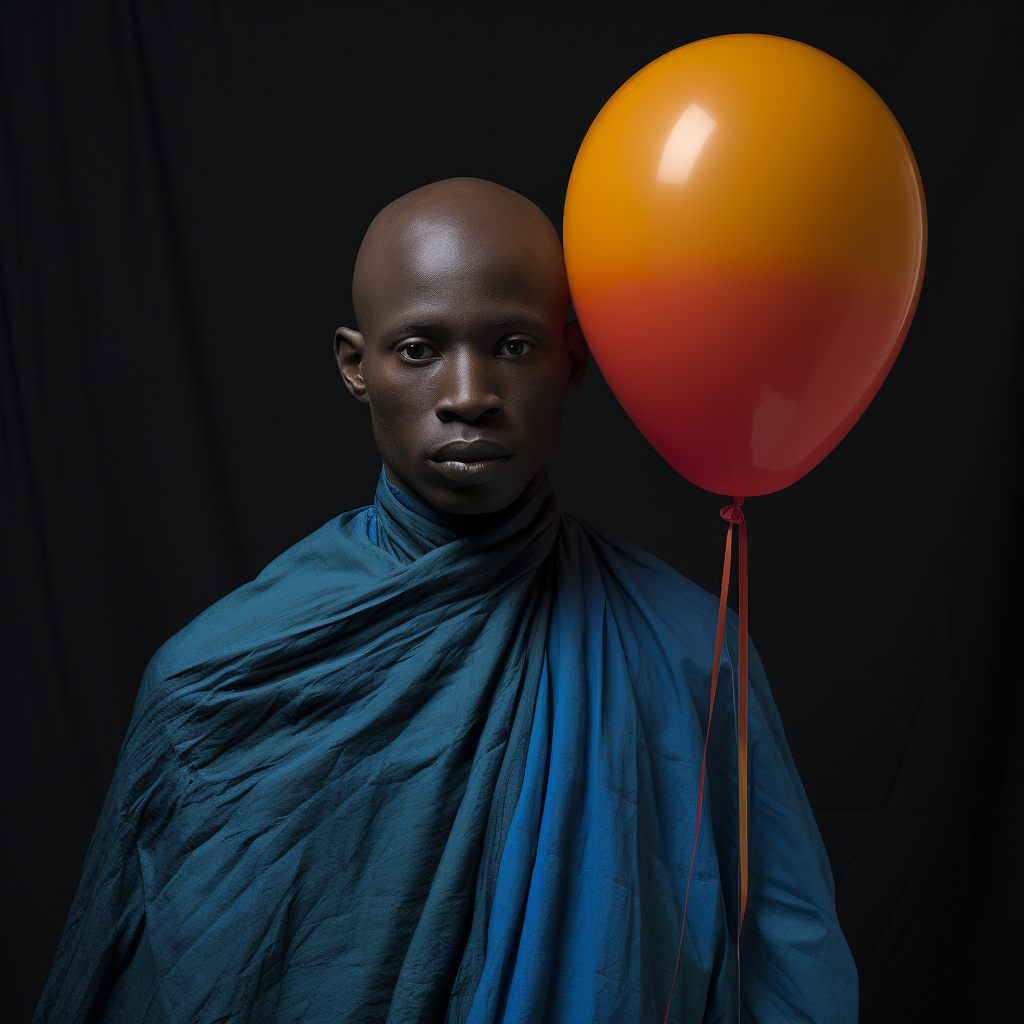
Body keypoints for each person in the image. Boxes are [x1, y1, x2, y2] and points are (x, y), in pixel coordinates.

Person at [35, 178, 857, 1023]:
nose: (469, 394)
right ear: (359, 367)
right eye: (420, 349)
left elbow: (789, 965)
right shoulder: (216, 685)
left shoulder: (690, 651)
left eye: (512, 344)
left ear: (572, 360)